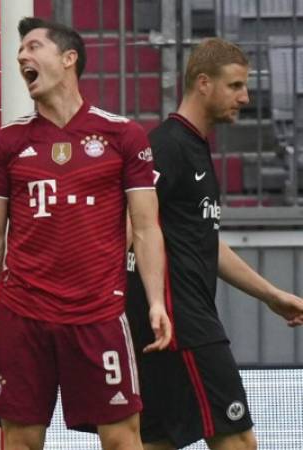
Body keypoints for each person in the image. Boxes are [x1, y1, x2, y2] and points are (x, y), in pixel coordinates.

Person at [0, 17, 172, 450]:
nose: (22, 55)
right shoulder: (6, 143)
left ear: (68, 58)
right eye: (20, 50)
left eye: (34, 46)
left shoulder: (123, 135)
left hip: (98, 314)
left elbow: (148, 228)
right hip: (22, 315)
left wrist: (154, 301)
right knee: (19, 440)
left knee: (121, 438)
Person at [126, 37, 303, 450]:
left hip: (173, 322)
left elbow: (205, 242)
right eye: (235, 85)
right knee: (238, 439)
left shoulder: (195, 149)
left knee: (158, 442)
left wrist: (271, 295)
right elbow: (130, 225)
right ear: (203, 83)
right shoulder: (167, 147)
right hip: (184, 324)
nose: (244, 97)